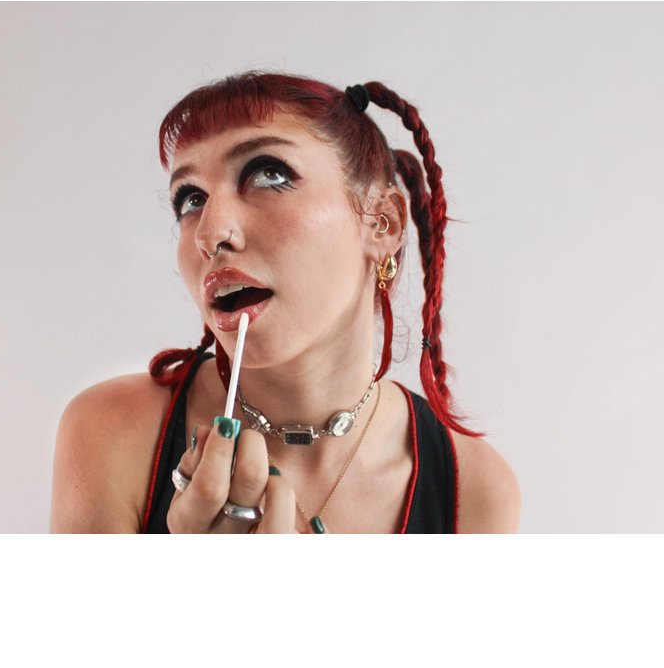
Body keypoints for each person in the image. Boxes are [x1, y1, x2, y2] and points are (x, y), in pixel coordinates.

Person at [50, 72, 521, 534]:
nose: (210, 234)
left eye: (268, 174)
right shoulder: (113, 431)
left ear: (383, 223)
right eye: (191, 199)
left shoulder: (475, 491)